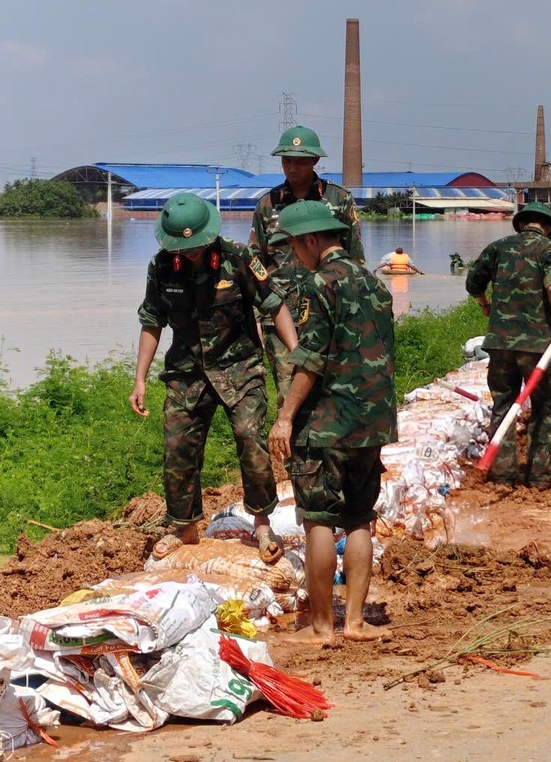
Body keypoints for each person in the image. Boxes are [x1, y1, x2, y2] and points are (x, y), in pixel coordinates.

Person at [267, 200, 396, 645]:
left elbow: (311, 358)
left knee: (319, 519)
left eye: (294, 247)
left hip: (327, 423)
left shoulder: (317, 285)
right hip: (372, 421)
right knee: (360, 518)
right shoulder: (375, 283)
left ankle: (323, 627)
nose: (293, 257)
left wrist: (285, 418)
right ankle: (357, 622)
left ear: (310, 240)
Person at [129, 194, 282, 561]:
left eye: (196, 245)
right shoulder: (162, 266)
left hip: (239, 368)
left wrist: (292, 360)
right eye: (184, 247)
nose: (191, 252)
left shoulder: (240, 259)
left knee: (250, 440)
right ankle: (184, 528)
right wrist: (139, 380)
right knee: (178, 448)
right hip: (187, 373)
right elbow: (152, 321)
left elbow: (274, 306)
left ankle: (262, 525)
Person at [465, 203, 551, 489]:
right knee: (543, 406)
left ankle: (503, 474)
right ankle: (539, 476)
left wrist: (485, 305)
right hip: (537, 344)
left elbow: (473, 283)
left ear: (520, 224)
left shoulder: (498, 247)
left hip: (500, 343)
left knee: (503, 404)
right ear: (549, 226)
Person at [249, 126, 364, 397]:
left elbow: (355, 258)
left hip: (329, 308)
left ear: (315, 161)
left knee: (333, 387)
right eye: (286, 161)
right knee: (288, 391)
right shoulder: (268, 204)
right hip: (280, 312)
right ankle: (289, 437)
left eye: (300, 161)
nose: (292, 167)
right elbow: (255, 261)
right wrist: (256, 312)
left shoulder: (338, 200)